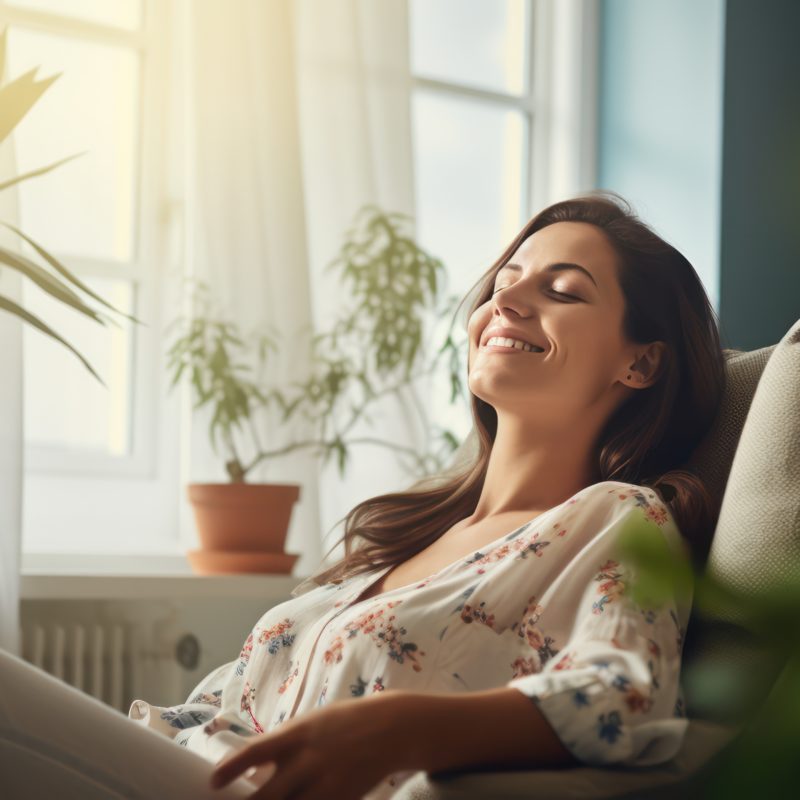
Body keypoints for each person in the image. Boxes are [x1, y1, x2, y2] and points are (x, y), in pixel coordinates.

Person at [0, 191, 725, 800]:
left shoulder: (619, 522)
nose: (505, 298)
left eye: (562, 290)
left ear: (641, 362)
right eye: (505, 279)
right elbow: (217, 705)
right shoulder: (406, 535)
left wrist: (402, 730)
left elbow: (622, 696)